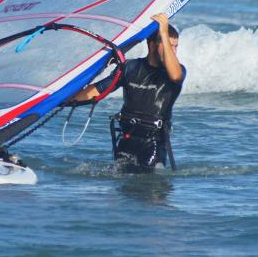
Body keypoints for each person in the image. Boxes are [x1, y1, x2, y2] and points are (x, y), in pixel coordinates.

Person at [71, 13, 186, 173]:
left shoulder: (176, 72)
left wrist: (165, 34)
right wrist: (61, 100)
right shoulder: (130, 68)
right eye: (168, 45)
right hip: (126, 140)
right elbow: (98, 89)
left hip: (153, 143)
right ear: (152, 45)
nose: (172, 51)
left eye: (175, 46)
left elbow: (175, 75)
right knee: (123, 193)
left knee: (149, 189)